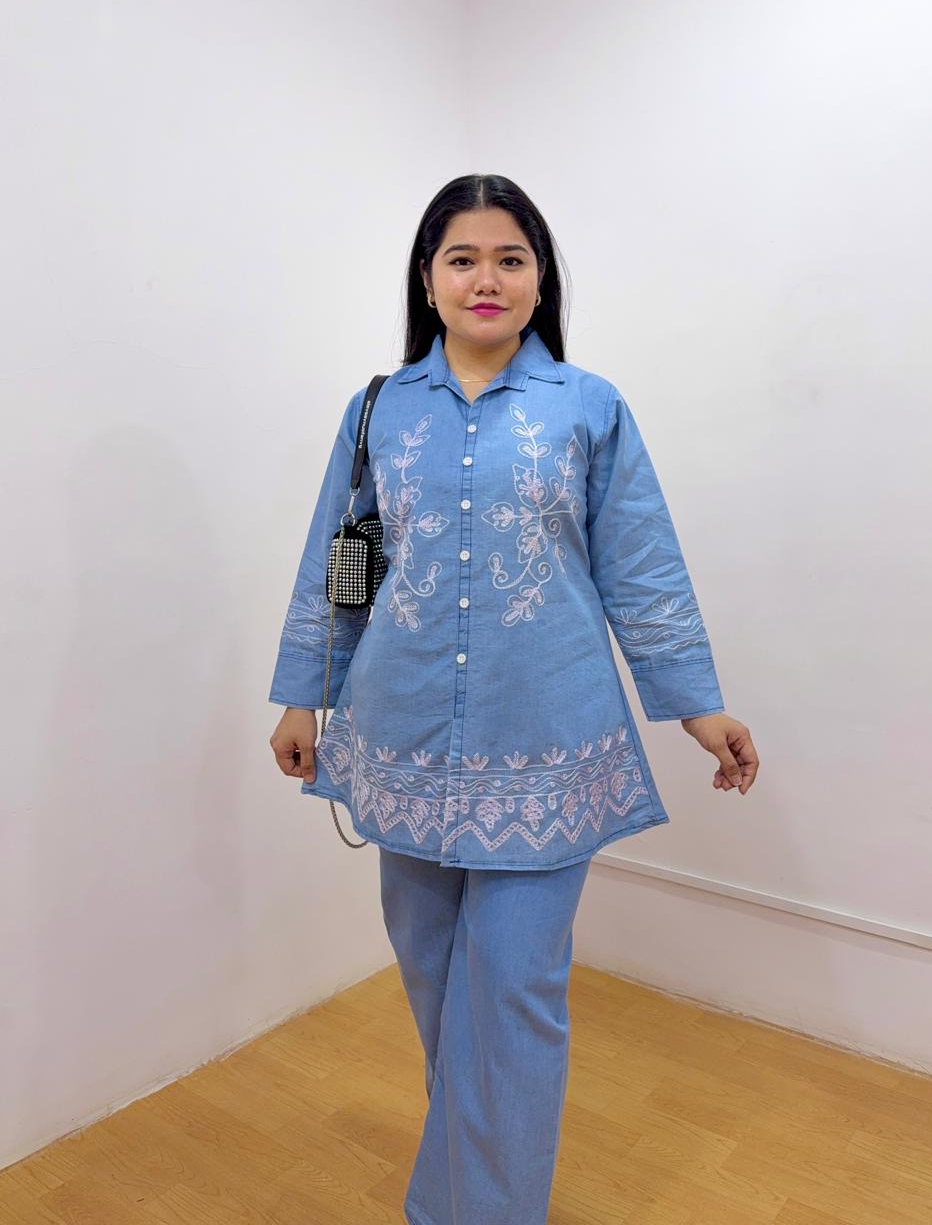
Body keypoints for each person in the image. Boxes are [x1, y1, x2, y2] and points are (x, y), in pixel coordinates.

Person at [268, 173, 759, 1225]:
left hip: (549, 745)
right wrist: (305, 694)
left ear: (540, 280)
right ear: (428, 279)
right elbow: (342, 562)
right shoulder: (379, 411)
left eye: (509, 258)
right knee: (438, 985)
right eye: (463, 258)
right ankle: (470, 1192)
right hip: (399, 736)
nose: (485, 278)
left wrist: (697, 705)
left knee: (512, 996)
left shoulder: (588, 406)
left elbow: (642, 565)